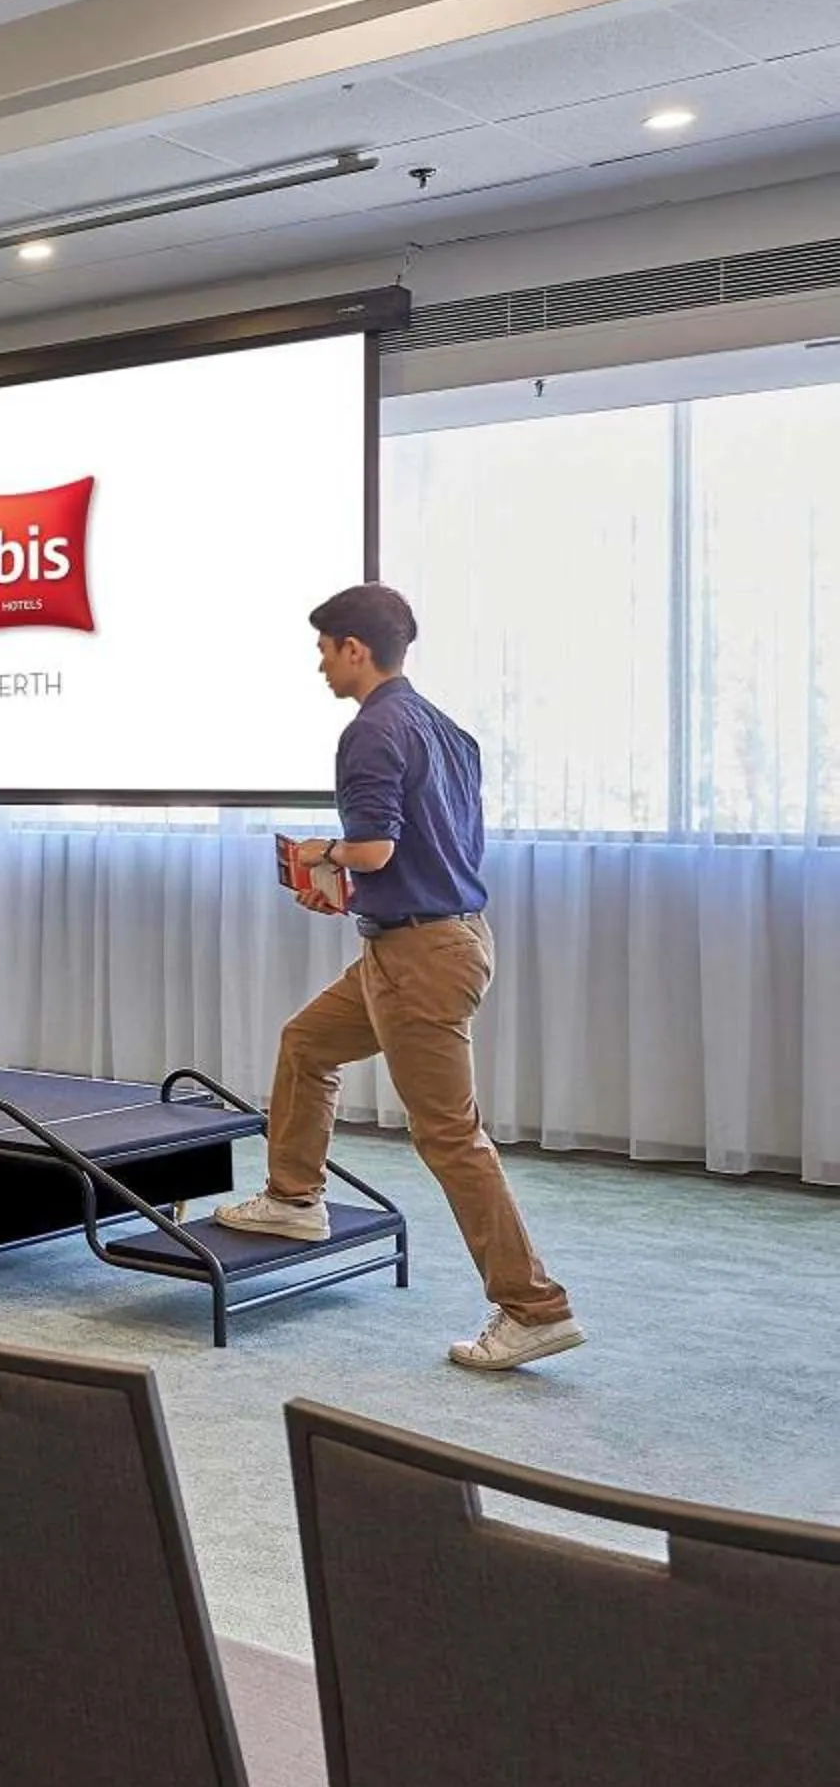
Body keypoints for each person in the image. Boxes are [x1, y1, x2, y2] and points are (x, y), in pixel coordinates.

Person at [216, 583, 585, 1371]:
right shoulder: (448, 732)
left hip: (418, 958)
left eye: (324, 649)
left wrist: (321, 855)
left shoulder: (371, 731)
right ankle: (293, 1200)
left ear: (356, 649)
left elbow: (377, 848)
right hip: (430, 942)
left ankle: (533, 1308)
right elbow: (426, 847)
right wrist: (356, 887)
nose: (319, 664)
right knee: (306, 1044)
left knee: (449, 1136)